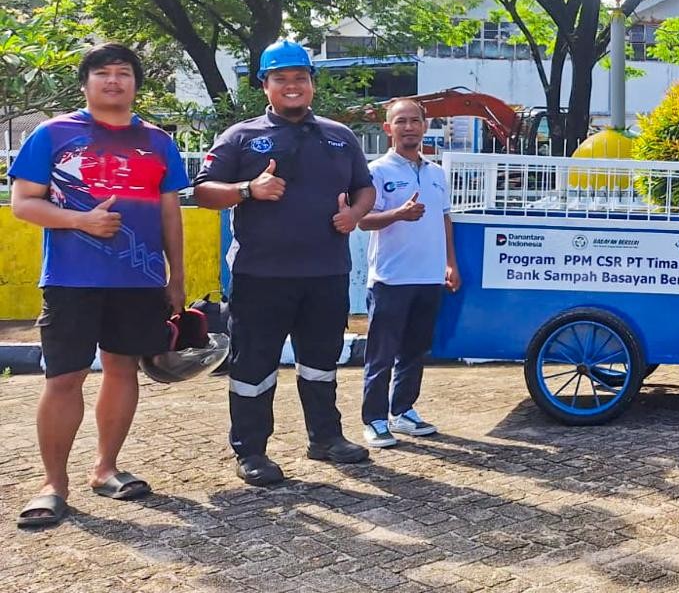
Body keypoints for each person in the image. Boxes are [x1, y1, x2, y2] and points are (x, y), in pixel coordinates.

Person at [10, 44, 188, 528]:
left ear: (135, 84)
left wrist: (178, 277)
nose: (114, 81)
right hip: (72, 279)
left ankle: (106, 468)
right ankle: (53, 484)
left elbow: (170, 212)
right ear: (86, 83)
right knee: (64, 377)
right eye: (103, 73)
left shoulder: (158, 142)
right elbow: (23, 203)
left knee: (122, 369)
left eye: (124, 73)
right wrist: (80, 221)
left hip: (140, 278)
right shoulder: (53, 134)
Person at [193, 40, 376, 485]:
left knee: (320, 362)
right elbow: (202, 192)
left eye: (300, 78)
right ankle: (251, 451)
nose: (291, 86)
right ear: (265, 86)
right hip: (261, 276)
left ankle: (326, 439)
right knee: (254, 365)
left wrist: (354, 214)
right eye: (281, 79)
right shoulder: (241, 137)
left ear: (311, 84)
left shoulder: (340, 136)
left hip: (326, 273)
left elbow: (364, 188)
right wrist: (247, 190)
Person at [356, 99, 460, 448]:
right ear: (389, 129)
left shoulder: (437, 173)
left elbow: (445, 219)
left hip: (429, 277)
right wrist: (398, 214)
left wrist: (451, 263)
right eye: (401, 121)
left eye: (415, 120)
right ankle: (373, 419)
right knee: (381, 354)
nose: (409, 127)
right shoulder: (377, 172)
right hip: (391, 279)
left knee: (415, 351)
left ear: (425, 126)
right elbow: (361, 221)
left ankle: (403, 411)